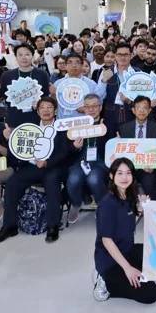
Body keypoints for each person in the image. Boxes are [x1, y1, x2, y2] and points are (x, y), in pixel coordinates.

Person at [0, 97, 74, 245]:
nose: (46, 110)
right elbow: (19, 148)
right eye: (42, 108)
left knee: (52, 182)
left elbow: (63, 152)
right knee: (12, 184)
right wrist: (11, 139)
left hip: (54, 167)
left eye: (49, 107)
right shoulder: (29, 128)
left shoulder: (62, 127)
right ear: (38, 111)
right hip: (32, 166)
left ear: (55, 111)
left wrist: (47, 162)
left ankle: (53, 225)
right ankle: (9, 226)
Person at [92, 157, 156, 304]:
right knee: (151, 294)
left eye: (128, 173)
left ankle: (123, 274)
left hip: (126, 250)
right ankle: (106, 283)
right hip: (111, 261)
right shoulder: (107, 205)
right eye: (120, 173)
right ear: (111, 176)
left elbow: (127, 222)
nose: (124, 177)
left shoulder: (128, 195)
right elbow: (106, 240)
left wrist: (140, 208)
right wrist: (127, 268)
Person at [65, 94, 112, 224]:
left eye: (94, 106)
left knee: (94, 178)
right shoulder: (76, 125)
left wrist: (104, 133)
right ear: (83, 108)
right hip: (81, 161)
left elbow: (112, 146)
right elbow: (67, 149)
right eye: (87, 106)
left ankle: (101, 205)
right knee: (73, 179)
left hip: (100, 161)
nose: (91, 109)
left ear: (100, 107)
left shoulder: (108, 123)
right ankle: (76, 203)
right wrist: (75, 147)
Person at [119, 96, 156, 200]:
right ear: (133, 110)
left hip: (148, 168)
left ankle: (154, 206)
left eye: (145, 108)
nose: (142, 110)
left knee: (149, 181)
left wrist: (154, 166)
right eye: (138, 107)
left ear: (150, 110)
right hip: (129, 167)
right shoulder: (124, 128)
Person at [0, 44, 51, 127]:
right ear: (16, 57)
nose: (24, 58)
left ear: (32, 56)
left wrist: (39, 104)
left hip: (38, 121)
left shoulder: (42, 74)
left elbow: (46, 97)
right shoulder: (7, 76)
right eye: (20, 55)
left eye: (27, 54)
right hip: (14, 122)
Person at [52, 54, 106, 119]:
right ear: (66, 66)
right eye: (70, 62)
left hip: (83, 121)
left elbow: (99, 102)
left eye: (77, 62)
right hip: (63, 122)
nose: (74, 65)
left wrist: (86, 108)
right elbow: (52, 105)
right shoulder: (58, 84)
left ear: (82, 66)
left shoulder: (91, 84)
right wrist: (53, 95)